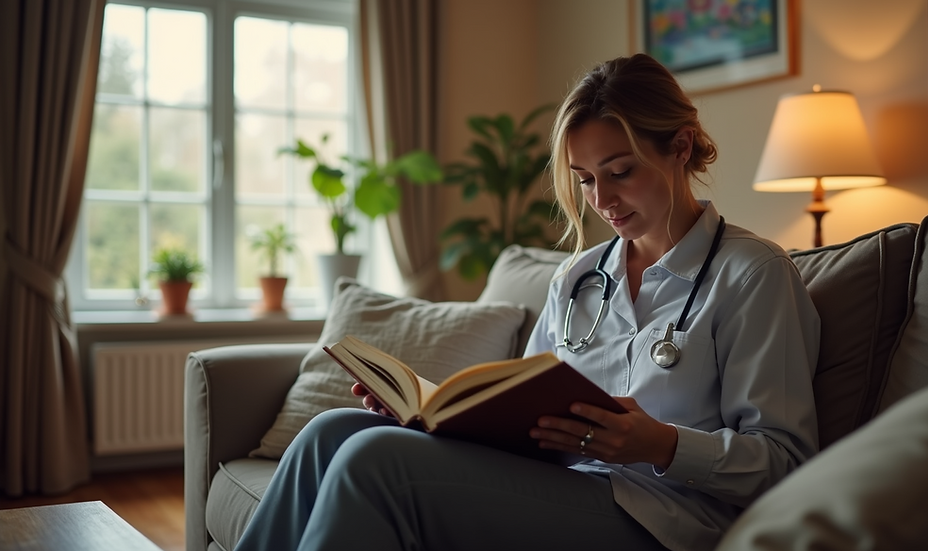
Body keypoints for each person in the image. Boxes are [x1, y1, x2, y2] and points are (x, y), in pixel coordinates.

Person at [233, 53, 820, 551]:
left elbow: (788, 463)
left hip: (662, 517)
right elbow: (527, 409)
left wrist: (663, 444)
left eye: (620, 171)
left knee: (375, 462)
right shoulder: (578, 277)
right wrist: (430, 422)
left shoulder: (752, 275)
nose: (602, 200)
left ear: (681, 147)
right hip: (561, 485)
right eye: (586, 179)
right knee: (331, 432)